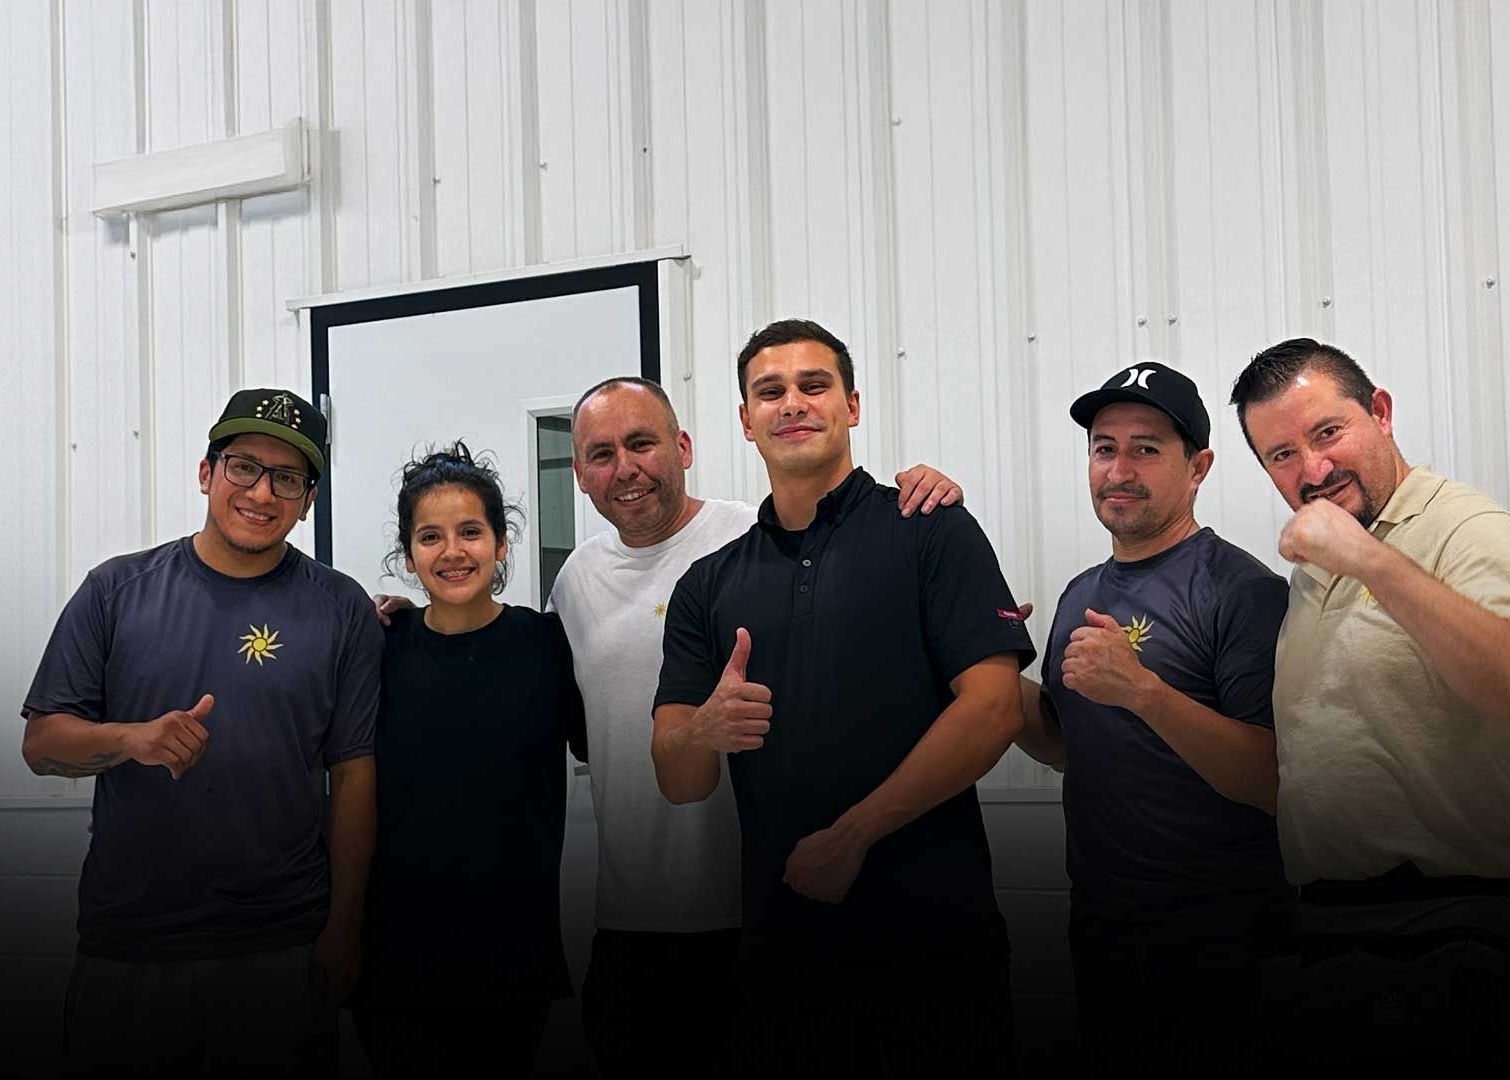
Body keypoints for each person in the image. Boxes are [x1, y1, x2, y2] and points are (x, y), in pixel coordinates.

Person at [375, 376, 965, 1077]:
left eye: (642, 444)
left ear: (683, 447)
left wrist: (918, 501)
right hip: (632, 922)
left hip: (773, 904)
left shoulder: (758, 537)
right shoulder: (576, 581)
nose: (624, 468)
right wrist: (394, 624)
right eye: (601, 454)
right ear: (580, 473)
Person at [652, 319, 1034, 1074]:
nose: (793, 403)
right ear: (746, 420)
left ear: (851, 406)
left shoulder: (930, 530)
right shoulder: (708, 584)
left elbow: (994, 707)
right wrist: (702, 731)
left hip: (936, 946)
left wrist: (852, 836)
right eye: (771, 391)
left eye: (814, 385)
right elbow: (679, 780)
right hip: (784, 955)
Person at [1229, 338, 1510, 1067]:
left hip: (1446, 926)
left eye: (1328, 432)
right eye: (1282, 455)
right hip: (1330, 928)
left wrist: (1367, 560)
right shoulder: (1323, 555)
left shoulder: (1466, 529)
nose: (1312, 470)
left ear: (1380, 412)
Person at [20, 388, 379, 1078]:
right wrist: (130, 739)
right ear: (206, 473)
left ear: (308, 501)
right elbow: (42, 745)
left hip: (282, 943)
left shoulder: (343, 610)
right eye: (243, 466)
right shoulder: (115, 591)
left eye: (288, 478)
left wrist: (345, 928)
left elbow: (355, 774)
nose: (261, 492)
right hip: (131, 941)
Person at [1012, 362, 1291, 1073]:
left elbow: (1275, 780)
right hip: (1102, 926)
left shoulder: (1243, 591)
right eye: (1104, 449)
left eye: (1146, 449)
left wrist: (1144, 691)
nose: (1119, 470)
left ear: (1198, 467)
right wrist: (990, 674)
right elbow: (1068, 746)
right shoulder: (1080, 594)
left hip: (1224, 937)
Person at [350, 443, 588, 1078]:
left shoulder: (548, 645)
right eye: (430, 536)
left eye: (471, 532)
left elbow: (610, 745)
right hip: (394, 953)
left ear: (501, 544)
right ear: (408, 556)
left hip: (511, 953)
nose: (452, 551)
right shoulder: (381, 648)